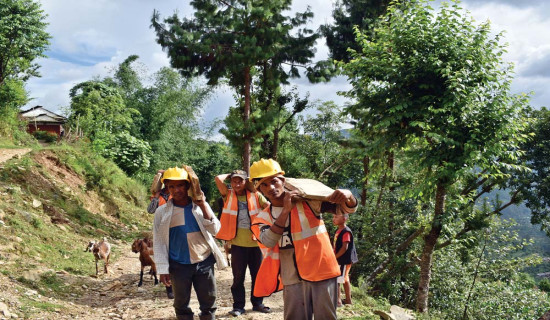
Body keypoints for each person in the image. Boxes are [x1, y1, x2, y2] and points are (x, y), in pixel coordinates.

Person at [249, 158, 358, 320]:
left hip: (323, 272)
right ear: (259, 190)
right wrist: (285, 210)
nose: (270, 187)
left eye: (274, 181)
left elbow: (344, 208)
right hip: (292, 278)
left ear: (283, 181)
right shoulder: (262, 217)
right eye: (263, 185)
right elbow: (268, 240)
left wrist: (349, 195)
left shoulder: (308, 203)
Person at [153, 166, 228, 320]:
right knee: (181, 303)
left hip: (203, 261)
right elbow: (159, 241)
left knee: (208, 300)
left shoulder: (200, 206)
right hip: (178, 264)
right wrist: (162, 268)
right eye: (171, 186)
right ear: (167, 188)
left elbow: (216, 230)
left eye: (180, 185)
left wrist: (203, 206)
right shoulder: (162, 212)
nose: (176, 190)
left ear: (188, 186)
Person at [215, 170, 271, 316]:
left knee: (257, 276)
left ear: (246, 182)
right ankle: (238, 306)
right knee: (238, 277)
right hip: (238, 245)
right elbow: (217, 179)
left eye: (240, 181)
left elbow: (270, 206)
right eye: (234, 181)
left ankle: (258, 303)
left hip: (256, 244)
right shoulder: (228, 195)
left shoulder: (256, 195)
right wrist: (229, 175)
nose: (237, 184)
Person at [332, 213, 358, 306]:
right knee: (345, 278)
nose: (333, 219)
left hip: (344, 259)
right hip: (341, 259)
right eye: (333, 217)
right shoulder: (338, 230)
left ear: (344, 219)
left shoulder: (346, 231)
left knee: (338, 279)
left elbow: (344, 247)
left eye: (336, 217)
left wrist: (335, 257)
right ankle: (348, 300)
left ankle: (338, 301)